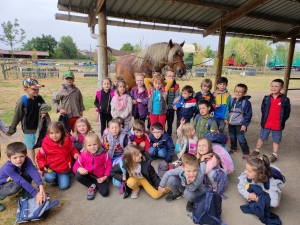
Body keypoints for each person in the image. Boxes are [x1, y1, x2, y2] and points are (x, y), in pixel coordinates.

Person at [7, 77, 50, 165]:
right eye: (34, 89)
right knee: (30, 147)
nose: (37, 90)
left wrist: (43, 111)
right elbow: (17, 116)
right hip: (29, 130)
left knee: (45, 144)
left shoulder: (39, 98)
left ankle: (46, 162)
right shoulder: (22, 101)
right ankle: (33, 164)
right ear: (25, 89)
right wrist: (12, 129)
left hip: (40, 128)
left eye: (38, 88)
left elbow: (45, 106)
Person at [251, 79, 291, 163]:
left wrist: (281, 120)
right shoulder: (266, 98)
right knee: (262, 137)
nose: (274, 88)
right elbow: (263, 109)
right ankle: (257, 150)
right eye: (272, 86)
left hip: (277, 124)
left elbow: (287, 112)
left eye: (276, 86)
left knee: (276, 140)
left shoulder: (285, 100)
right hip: (266, 123)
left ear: (282, 88)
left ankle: (274, 154)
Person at [0, 142, 46, 211]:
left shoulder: (27, 160)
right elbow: (20, 180)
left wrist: (41, 187)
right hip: (2, 185)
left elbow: (33, 171)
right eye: (15, 157)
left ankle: (25, 191)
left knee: (29, 172)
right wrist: (36, 193)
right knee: (17, 185)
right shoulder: (7, 168)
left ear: (25, 155)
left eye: (21, 156)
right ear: (8, 158)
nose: (19, 160)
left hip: (14, 180)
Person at [36, 121, 79, 190]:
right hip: (50, 167)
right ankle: (54, 178)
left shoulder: (67, 140)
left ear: (62, 132)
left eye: (57, 132)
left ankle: (61, 177)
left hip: (63, 168)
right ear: (48, 133)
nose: (54, 135)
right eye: (51, 133)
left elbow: (72, 148)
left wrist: (75, 153)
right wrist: (43, 166)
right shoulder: (46, 142)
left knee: (64, 186)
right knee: (48, 178)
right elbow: (39, 157)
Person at [73, 132, 112, 200]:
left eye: (95, 144)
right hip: (88, 175)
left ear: (99, 144)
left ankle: (97, 184)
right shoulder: (83, 154)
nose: (92, 147)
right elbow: (75, 166)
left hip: (100, 177)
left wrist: (105, 177)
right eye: (89, 145)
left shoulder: (104, 154)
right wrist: (79, 168)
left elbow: (109, 166)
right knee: (78, 175)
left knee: (105, 193)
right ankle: (91, 186)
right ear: (85, 146)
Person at [227, 84, 253, 159]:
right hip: (231, 123)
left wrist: (244, 124)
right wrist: (227, 118)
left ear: (244, 93)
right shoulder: (232, 101)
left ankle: (246, 152)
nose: (237, 93)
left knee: (241, 138)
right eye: (236, 91)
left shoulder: (246, 103)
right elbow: (228, 111)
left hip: (240, 124)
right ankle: (233, 148)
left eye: (240, 92)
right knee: (232, 136)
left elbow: (248, 115)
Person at [165, 69, 180, 136]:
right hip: (162, 109)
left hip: (171, 108)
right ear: (165, 77)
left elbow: (177, 97)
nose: (171, 78)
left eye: (173, 76)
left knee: (170, 123)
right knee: (162, 123)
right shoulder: (161, 85)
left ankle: (169, 136)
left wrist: (174, 104)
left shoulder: (176, 86)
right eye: (169, 76)